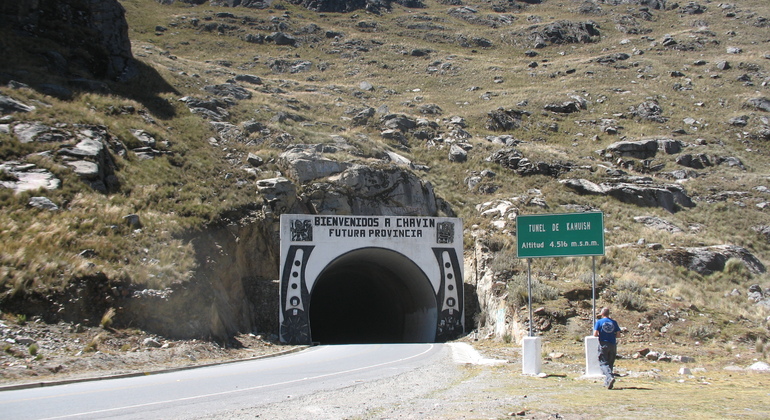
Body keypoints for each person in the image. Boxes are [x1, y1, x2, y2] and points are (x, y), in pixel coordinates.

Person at [593, 307, 620, 389]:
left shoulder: (599, 322)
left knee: (603, 363)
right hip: (613, 344)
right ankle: (607, 382)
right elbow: (618, 335)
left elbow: (595, 334)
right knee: (610, 363)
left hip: (603, 344)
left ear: (602, 314)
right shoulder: (614, 322)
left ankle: (610, 377)